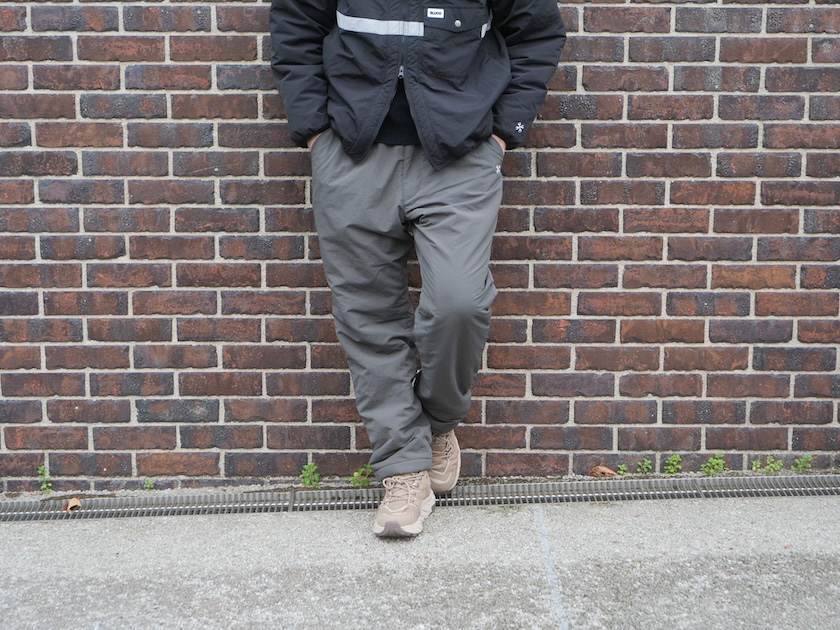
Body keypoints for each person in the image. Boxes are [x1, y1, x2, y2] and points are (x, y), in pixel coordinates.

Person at [270, 0, 566, 537]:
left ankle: (437, 424)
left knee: (459, 303)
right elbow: (296, 26)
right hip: (352, 156)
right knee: (368, 317)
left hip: (460, 157)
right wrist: (314, 132)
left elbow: (536, 34)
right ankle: (403, 471)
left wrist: (503, 133)